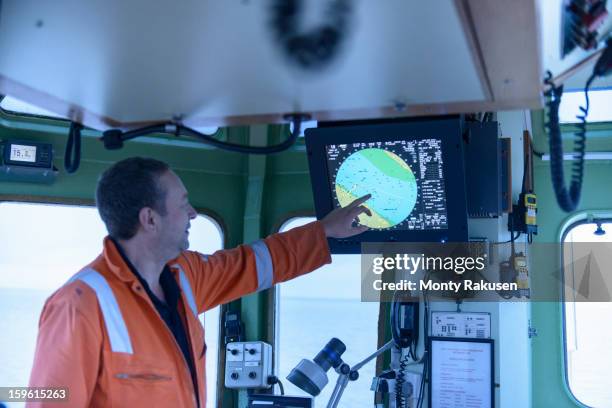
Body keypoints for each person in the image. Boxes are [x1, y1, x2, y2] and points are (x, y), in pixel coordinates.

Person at [27, 157, 371, 407]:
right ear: (150, 219)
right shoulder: (79, 305)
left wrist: (324, 231)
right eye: (183, 204)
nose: (192, 213)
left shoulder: (186, 276)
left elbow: (255, 263)